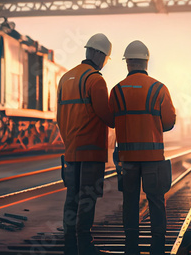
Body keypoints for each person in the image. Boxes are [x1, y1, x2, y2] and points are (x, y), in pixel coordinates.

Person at [109, 40, 176, 255]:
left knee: (129, 201)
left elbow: (111, 120)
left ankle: (131, 247)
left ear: (127, 63)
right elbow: (169, 122)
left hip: (127, 158)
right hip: (153, 157)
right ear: (146, 62)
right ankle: (157, 247)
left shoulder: (117, 90)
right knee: (156, 200)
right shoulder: (159, 88)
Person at [57, 33, 115, 254]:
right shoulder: (95, 80)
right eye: (106, 58)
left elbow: (59, 117)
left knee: (71, 196)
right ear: (99, 55)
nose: (104, 63)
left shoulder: (65, 78)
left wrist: (69, 142)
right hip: (91, 152)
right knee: (87, 198)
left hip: (71, 151)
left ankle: (70, 244)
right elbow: (107, 116)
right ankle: (85, 244)